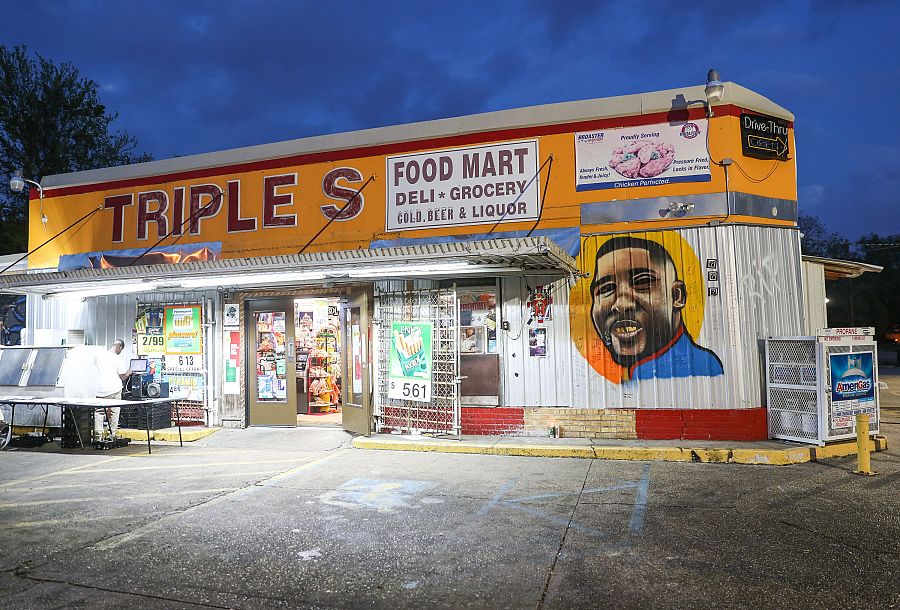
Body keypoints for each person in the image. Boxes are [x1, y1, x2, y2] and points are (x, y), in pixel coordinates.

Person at [590, 236, 723, 382]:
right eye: (606, 289)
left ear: (677, 296)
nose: (621, 305)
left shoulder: (704, 369)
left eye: (643, 281)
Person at [94, 339, 132, 440]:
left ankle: (98, 436)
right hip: (114, 389)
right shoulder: (118, 359)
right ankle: (112, 434)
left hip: (100, 389)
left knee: (99, 412)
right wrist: (129, 372)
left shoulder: (99, 356)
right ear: (120, 347)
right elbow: (123, 376)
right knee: (114, 412)